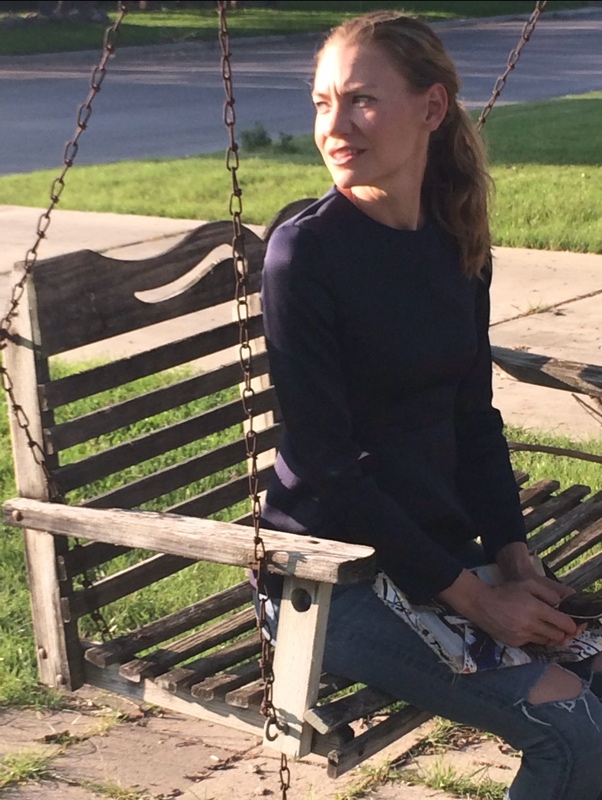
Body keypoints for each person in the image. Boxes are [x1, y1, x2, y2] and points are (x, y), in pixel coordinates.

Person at [259, 11, 602, 800]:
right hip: (331, 583)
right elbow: (328, 468)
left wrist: (515, 556)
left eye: (361, 101)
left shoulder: (454, 240)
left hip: (439, 559)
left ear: (432, 108)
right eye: (322, 103)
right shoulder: (305, 254)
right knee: (571, 726)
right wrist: (481, 599)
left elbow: (472, 417)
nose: (335, 127)